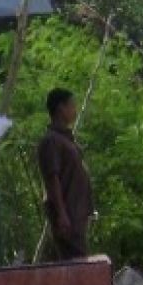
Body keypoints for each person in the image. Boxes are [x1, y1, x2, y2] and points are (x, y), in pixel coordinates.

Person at [37, 87, 94, 260]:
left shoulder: (66, 139)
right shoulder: (51, 141)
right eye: (72, 106)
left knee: (79, 259)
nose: (75, 110)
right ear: (61, 108)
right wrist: (62, 214)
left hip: (77, 213)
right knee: (75, 261)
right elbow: (52, 179)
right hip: (68, 214)